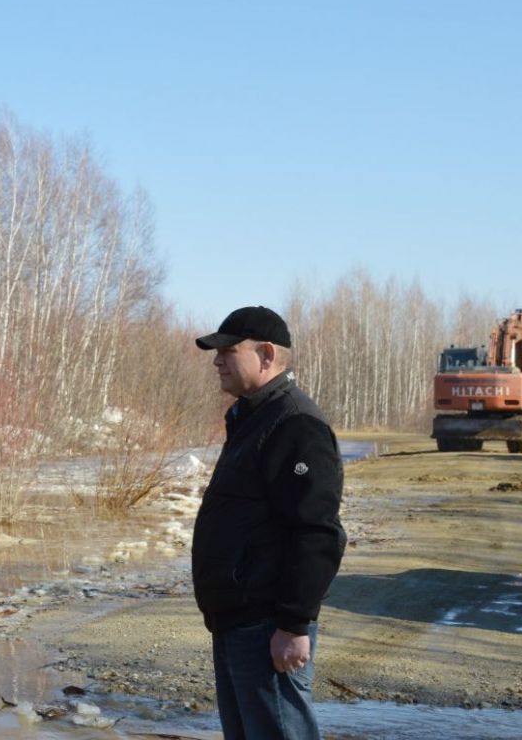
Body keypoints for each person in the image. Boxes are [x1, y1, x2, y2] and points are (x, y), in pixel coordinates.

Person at [192, 306, 346, 740]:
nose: (217, 361)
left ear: (266, 354)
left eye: (228, 350)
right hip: (237, 621)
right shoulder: (251, 418)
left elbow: (317, 531)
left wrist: (293, 624)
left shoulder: (295, 423)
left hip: (266, 626)